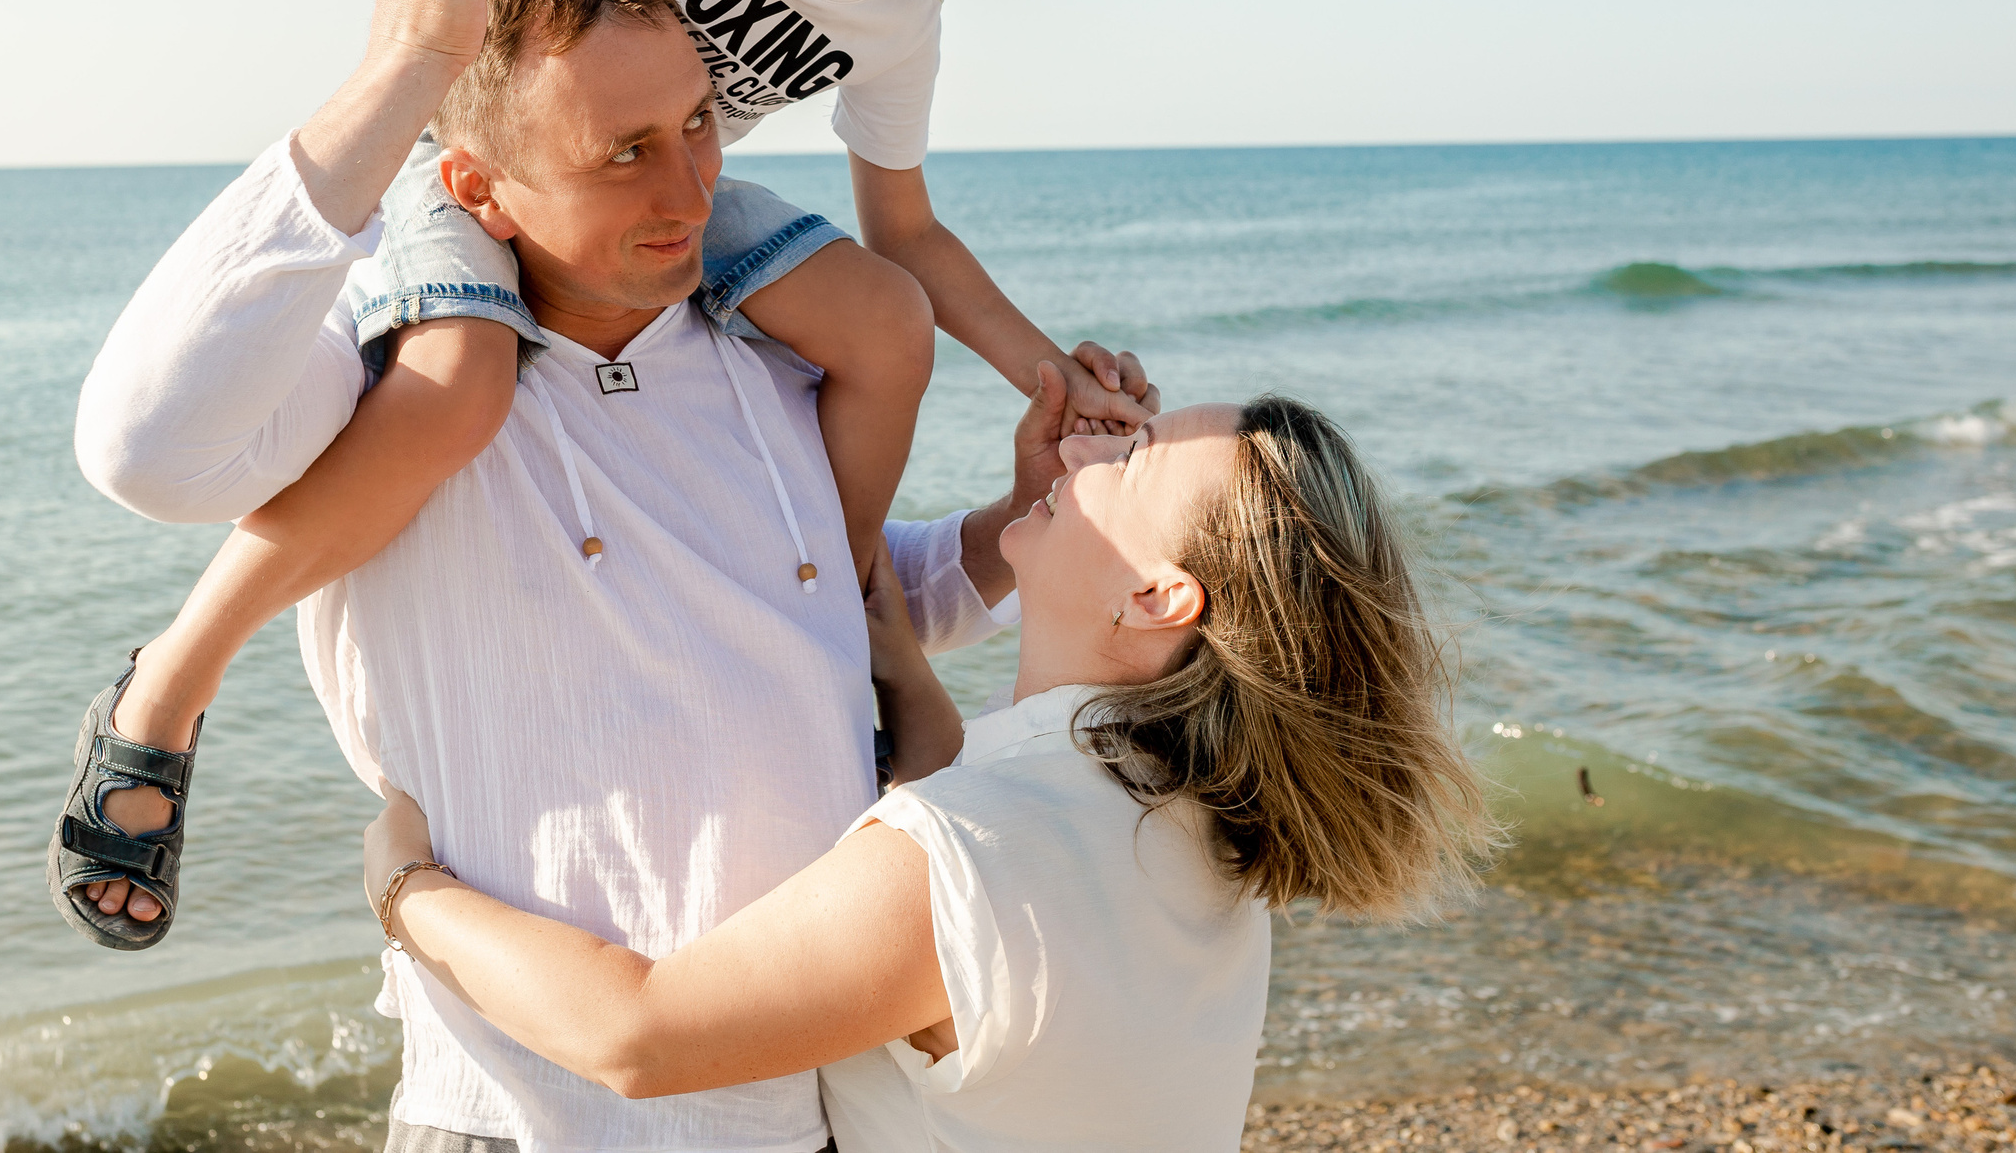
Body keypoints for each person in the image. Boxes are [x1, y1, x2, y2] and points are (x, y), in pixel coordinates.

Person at [56, 0, 1170, 926]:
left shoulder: (902, 19)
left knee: (881, 318)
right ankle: (176, 680)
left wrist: (1048, 373)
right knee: (460, 384)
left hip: (662, 189)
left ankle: (851, 598)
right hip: (502, 165)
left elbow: (904, 232)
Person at [61, 0, 1099, 1153]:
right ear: (476, 192)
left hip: (802, 1108)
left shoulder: (773, 365)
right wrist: (404, 66)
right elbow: (145, 450)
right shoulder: (385, 388)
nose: (689, 190)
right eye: (623, 152)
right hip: (510, 1116)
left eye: (699, 126)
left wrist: (1024, 517)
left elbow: (844, 600)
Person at [362, 382, 1495, 1153]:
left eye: (1131, 461)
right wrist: (903, 675)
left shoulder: (961, 858)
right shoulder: (1202, 826)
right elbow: (1009, 888)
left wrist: (409, 890)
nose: (1090, 449)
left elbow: (635, 1034)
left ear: (1156, 597)